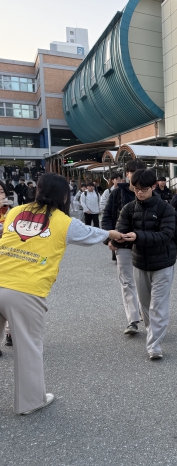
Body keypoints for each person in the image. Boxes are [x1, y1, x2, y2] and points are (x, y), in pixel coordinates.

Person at [0, 173, 122, 414]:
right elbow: (89, 233)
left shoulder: (15, 212)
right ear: (64, 195)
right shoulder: (63, 221)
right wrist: (111, 234)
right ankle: (30, 401)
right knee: (28, 349)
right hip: (26, 290)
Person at [115, 169, 177, 360]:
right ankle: (152, 333)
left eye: (143, 189)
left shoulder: (165, 209)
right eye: (136, 189)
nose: (139, 193)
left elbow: (166, 235)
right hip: (140, 262)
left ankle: (154, 345)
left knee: (158, 305)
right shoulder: (128, 209)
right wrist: (117, 237)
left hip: (163, 263)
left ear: (153, 187)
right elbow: (121, 228)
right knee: (145, 305)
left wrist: (138, 236)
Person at [102, 160, 146, 335]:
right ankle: (132, 319)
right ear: (127, 174)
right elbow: (107, 216)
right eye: (132, 172)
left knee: (145, 282)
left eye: (139, 172)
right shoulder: (117, 193)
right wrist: (109, 238)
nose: (135, 176)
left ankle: (146, 313)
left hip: (145, 244)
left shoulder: (151, 193)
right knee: (127, 281)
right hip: (122, 243)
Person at [0, 180, 13, 350]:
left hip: (10, 259)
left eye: (2, 191)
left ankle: (11, 331)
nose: (1, 195)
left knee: (11, 295)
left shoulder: (12, 212)